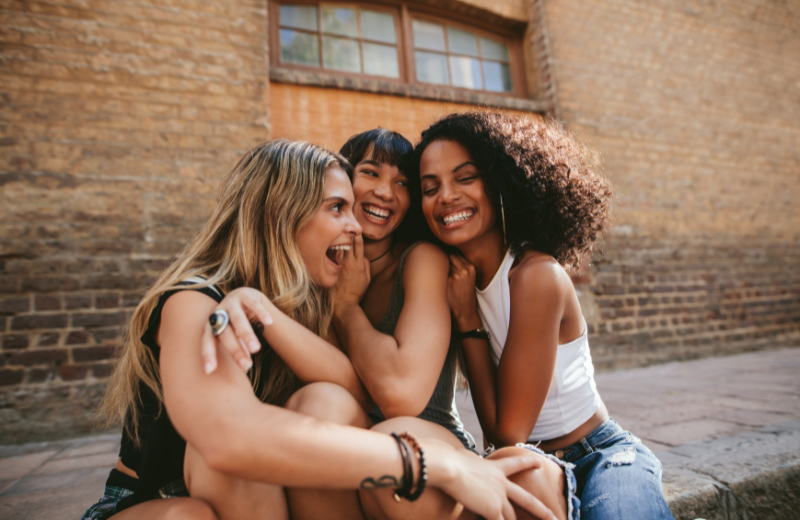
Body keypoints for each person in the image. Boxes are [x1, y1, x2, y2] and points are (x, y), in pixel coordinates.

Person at [83, 139, 555, 520]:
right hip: (159, 498)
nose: (355, 227)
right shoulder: (193, 301)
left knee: (322, 404)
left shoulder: (299, 304)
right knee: (198, 504)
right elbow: (228, 440)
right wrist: (432, 464)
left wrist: (267, 312)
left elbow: (351, 391)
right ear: (282, 212)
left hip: (246, 496)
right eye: (337, 208)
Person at [412, 112, 675, 519]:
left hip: (600, 454)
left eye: (465, 178)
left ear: (501, 181)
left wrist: (468, 323)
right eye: (430, 188)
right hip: (535, 465)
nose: (446, 196)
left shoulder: (536, 276)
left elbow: (507, 434)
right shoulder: (454, 279)